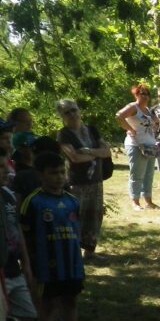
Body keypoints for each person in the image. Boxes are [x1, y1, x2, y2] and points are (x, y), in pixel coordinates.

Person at [19, 152, 94, 321]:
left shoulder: (72, 201)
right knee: (48, 305)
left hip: (71, 264)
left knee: (70, 302)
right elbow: (24, 235)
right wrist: (29, 264)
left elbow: (76, 230)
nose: (59, 177)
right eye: (53, 173)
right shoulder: (33, 202)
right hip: (46, 265)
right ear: (40, 175)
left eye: (62, 172)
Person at [55, 99, 111, 261]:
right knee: (75, 216)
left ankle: (90, 252)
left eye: (74, 110)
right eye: (67, 112)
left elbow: (107, 151)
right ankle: (73, 253)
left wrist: (88, 151)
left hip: (96, 179)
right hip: (76, 182)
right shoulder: (63, 134)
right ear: (62, 116)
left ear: (79, 110)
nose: (72, 114)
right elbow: (74, 157)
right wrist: (96, 153)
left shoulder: (91, 129)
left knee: (94, 216)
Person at [0, 147, 37, 321]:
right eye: (0, 167)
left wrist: (27, 264)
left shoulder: (8, 195)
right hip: (1, 273)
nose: (6, 171)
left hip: (14, 268)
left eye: (6, 165)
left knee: (27, 314)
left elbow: (17, 230)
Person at [116, 83, 159, 211]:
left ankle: (149, 201)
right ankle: (135, 202)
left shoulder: (147, 110)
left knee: (149, 175)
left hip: (150, 147)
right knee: (137, 175)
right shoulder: (132, 107)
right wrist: (130, 129)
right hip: (136, 145)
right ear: (136, 95)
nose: (145, 96)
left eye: (147, 94)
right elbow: (118, 116)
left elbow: (154, 123)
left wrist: (155, 126)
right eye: (142, 94)